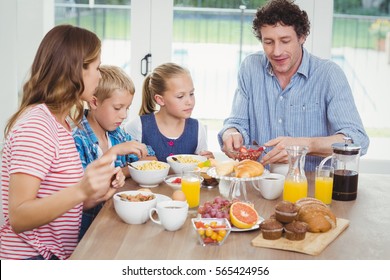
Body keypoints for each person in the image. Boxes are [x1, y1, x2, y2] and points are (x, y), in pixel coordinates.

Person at [0, 25, 129, 260]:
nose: (100, 76)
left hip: (55, 256)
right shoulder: (37, 126)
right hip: (31, 258)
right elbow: (19, 217)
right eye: (96, 67)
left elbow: (60, 202)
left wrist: (97, 192)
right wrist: (81, 189)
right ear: (75, 70)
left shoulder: (64, 123)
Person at [218, 0, 369, 171]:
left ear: (302, 36)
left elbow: (358, 140)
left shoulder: (328, 75)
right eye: (268, 42)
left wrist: (305, 145)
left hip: (313, 187)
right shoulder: (250, 68)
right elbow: (237, 122)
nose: (276, 51)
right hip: (259, 185)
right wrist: (231, 132)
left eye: (285, 40)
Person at [72, 64, 156, 240]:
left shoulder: (116, 133)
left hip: (113, 222)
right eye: (118, 108)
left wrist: (123, 171)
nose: (124, 115)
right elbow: (82, 197)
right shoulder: (77, 140)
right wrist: (122, 166)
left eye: (127, 108)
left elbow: (150, 157)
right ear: (94, 102)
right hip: (85, 234)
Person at [125, 62, 214, 162]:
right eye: (180, 96)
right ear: (160, 100)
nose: (190, 101)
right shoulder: (137, 127)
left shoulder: (197, 129)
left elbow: (200, 169)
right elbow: (125, 166)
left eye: (191, 93)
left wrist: (207, 161)